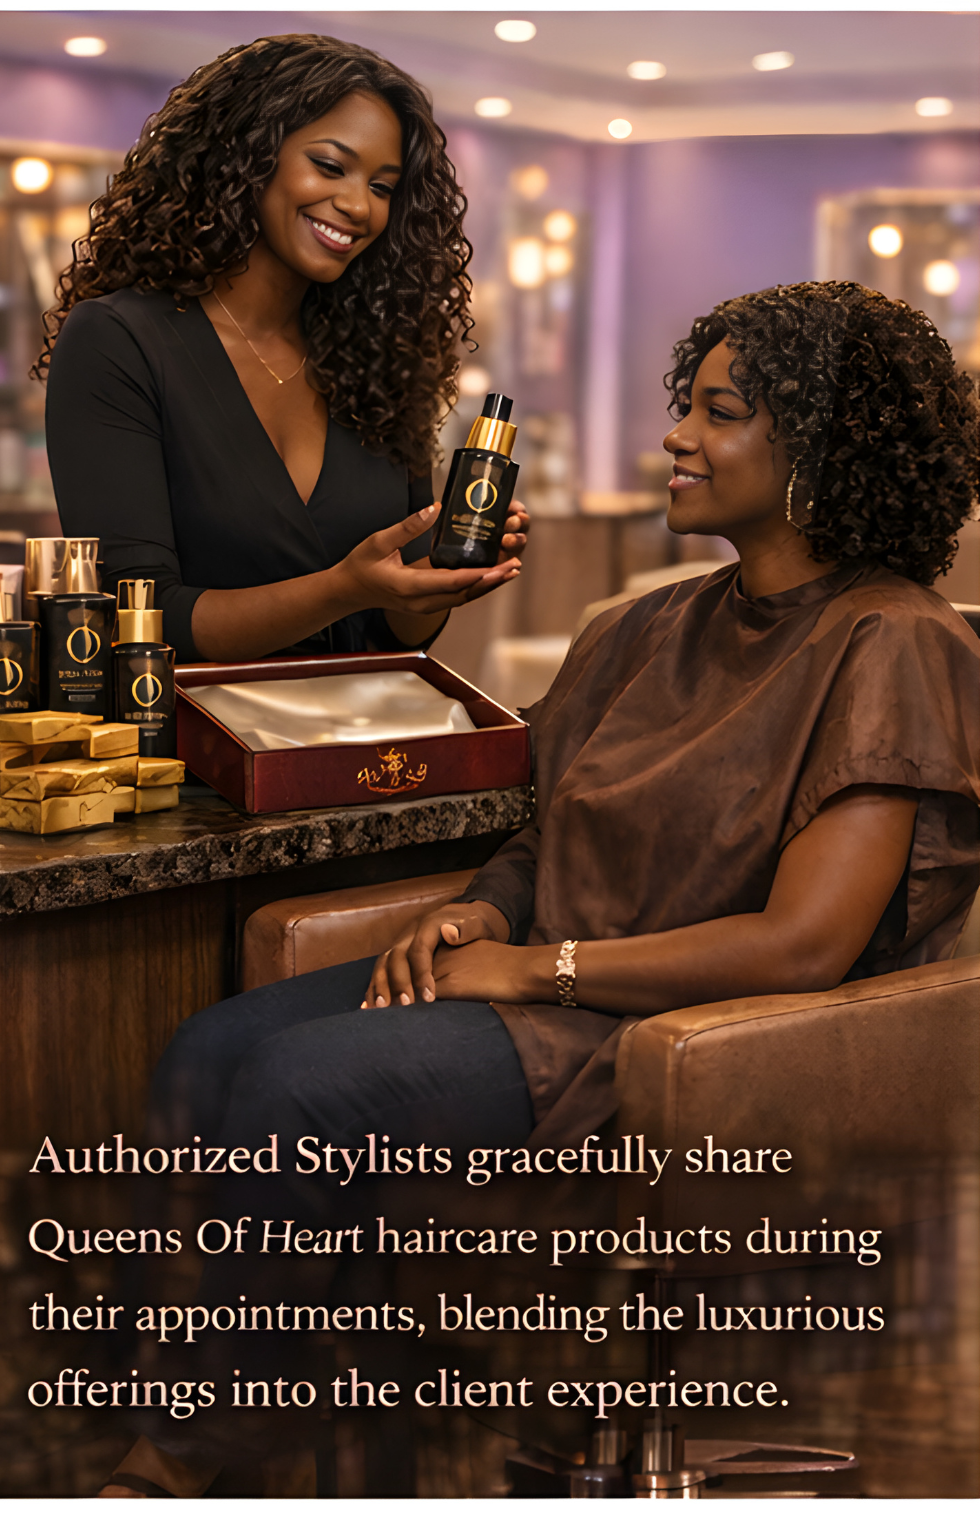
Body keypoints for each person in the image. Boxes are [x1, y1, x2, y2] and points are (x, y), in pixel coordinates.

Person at [100, 281, 979, 1496]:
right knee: (205, 1053)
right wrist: (489, 911)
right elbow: (547, 829)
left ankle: (206, 1453)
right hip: (537, 981)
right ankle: (213, 1410)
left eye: (716, 413)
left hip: (681, 1038)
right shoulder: (641, 626)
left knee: (301, 1089)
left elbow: (802, 947)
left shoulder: (895, 643)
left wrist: (536, 966)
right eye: (686, 406)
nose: (672, 436)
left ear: (817, 452)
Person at [39, 35, 528, 662]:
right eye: (330, 166)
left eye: (382, 187)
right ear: (247, 156)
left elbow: (388, 633)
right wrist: (341, 590)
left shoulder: (381, 360)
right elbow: (138, 617)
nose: (357, 206)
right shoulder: (119, 340)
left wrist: (439, 578)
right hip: (194, 745)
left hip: (356, 745)